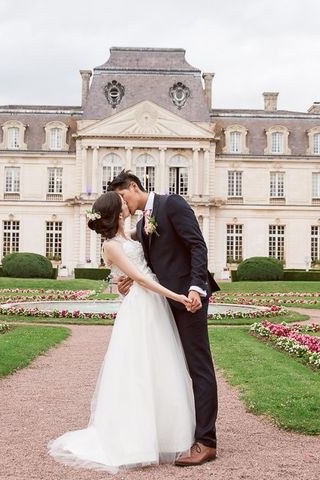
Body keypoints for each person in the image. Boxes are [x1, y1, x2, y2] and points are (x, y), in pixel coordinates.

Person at [48, 191, 196, 474]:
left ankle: (165, 435)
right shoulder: (111, 246)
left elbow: (146, 266)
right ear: (116, 212)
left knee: (160, 366)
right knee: (136, 370)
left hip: (152, 305)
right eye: (121, 202)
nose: (127, 202)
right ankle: (134, 440)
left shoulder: (133, 234)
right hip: (140, 307)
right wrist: (177, 296)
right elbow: (139, 278)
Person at [108, 170, 219, 466]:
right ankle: (181, 432)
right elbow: (150, 265)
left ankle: (207, 441)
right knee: (169, 367)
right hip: (163, 301)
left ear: (134, 186)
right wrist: (129, 281)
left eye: (122, 196)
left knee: (199, 366)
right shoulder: (144, 222)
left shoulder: (172, 204)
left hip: (189, 299)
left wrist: (196, 287)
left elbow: (197, 245)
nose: (122, 205)